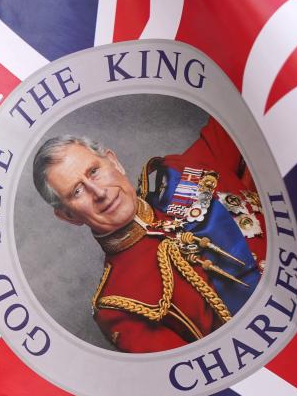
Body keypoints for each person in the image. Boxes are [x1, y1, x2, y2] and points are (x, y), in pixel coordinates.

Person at [32, 117, 265, 352]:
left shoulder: (181, 172)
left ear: (114, 162)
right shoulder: (118, 306)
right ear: (69, 217)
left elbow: (248, 109)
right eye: (77, 191)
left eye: (94, 171)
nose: (99, 192)